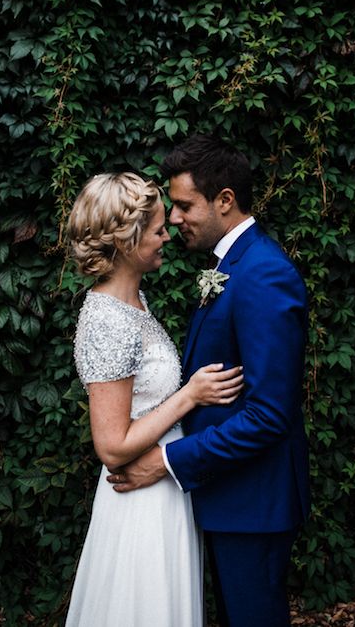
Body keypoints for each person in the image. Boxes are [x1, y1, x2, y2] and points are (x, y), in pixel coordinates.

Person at [108, 136, 311, 627]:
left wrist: (166, 461)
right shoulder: (233, 266)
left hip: (252, 503)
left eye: (183, 205)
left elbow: (268, 415)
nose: (173, 219)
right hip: (229, 498)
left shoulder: (263, 274)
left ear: (224, 200)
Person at [64, 172, 244, 627]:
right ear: (126, 241)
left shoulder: (134, 301)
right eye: (159, 228)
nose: (169, 234)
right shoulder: (109, 320)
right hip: (138, 506)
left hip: (163, 491)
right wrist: (190, 396)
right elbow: (111, 446)